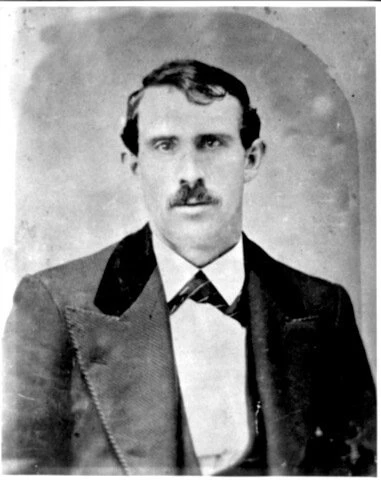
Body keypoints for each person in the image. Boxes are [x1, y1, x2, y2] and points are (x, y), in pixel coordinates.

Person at [3, 59, 376, 476]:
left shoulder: (323, 309)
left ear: (250, 158)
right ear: (134, 164)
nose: (190, 173)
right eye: (165, 146)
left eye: (211, 143)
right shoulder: (54, 304)